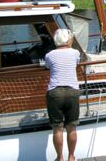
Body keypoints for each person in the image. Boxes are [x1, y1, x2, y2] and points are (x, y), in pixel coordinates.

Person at [45, 29, 80, 161]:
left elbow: (48, 66)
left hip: (55, 92)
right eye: (70, 39)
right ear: (67, 40)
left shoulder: (49, 55)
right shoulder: (75, 53)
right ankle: (71, 157)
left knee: (57, 129)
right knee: (71, 128)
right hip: (72, 91)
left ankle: (60, 158)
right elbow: (76, 63)